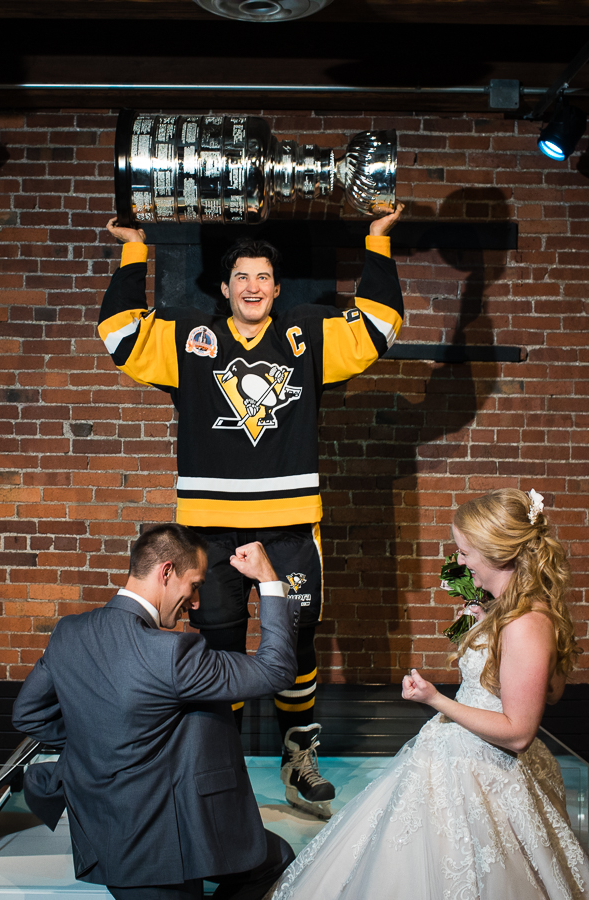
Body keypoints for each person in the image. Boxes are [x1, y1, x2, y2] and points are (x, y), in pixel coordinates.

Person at [99, 205, 405, 819]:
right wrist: (136, 250)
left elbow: (377, 328)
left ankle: (297, 756)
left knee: (293, 643)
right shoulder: (193, 339)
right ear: (225, 286)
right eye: (242, 276)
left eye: (262, 276)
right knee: (218, 647)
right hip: (210, 531)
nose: (253, 286)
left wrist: (377, 243)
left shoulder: (304, 334)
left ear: (276, 286)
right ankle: (220, 766)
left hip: (288, 526)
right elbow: (120, 334)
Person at [269, 489, 589, 900]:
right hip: (457, 756)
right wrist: (487, 622)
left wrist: (435, 699)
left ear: (497, 553)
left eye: (465, 551)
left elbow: (518, 732)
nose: (458, 561)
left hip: (482, 770)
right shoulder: (510, 611)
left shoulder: (526, 622)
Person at [12, 524, 302, 900]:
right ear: (166, 572)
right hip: (162, 850)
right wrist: (267, 578)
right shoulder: (172, 654)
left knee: (273, 856)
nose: (195, 601)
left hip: (107, 838)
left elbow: (28, 714)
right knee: (276, 860)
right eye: (194, 584)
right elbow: (275, 670)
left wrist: (103, 736)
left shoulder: (69, 633)